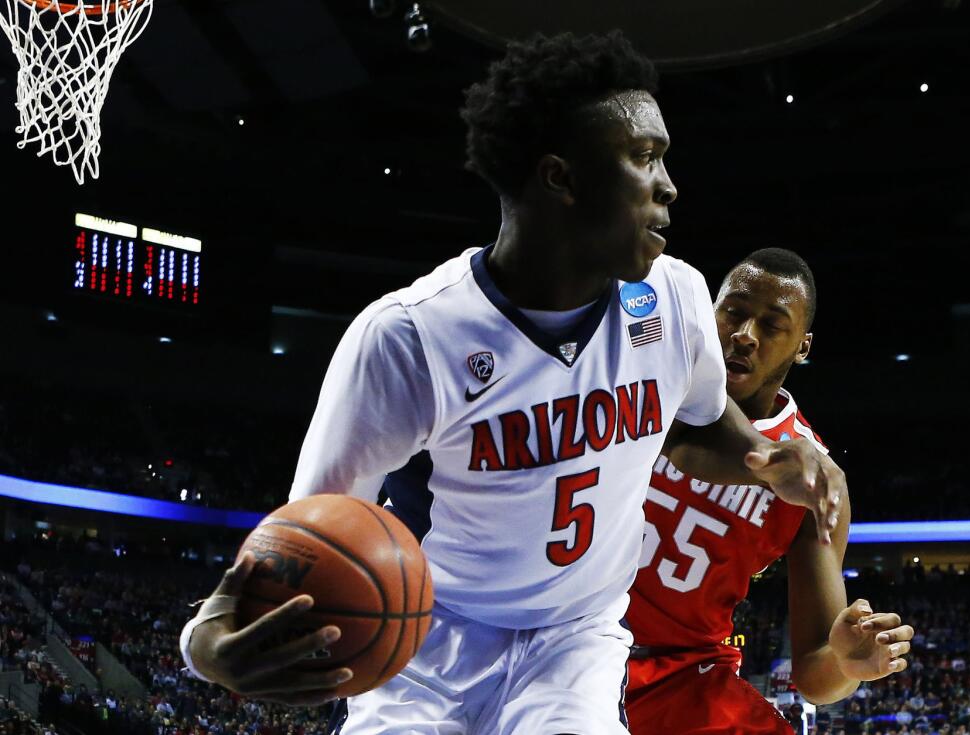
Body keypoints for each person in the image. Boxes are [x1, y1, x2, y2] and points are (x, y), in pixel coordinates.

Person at [177, 32, 846, 735]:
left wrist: (763, 460)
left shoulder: (674, 299)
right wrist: (204, 640)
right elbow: (309, 530)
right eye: (644, 158)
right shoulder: (409, 336)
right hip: (427, 637)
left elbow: (699, 423)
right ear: (561, 177)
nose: (669, 186)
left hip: (575, 640)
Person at [625, 249, 914, 734]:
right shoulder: (643, 376)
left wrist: (847, 664)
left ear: (803, 346)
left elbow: (815, 673)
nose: (745, 335)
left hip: (682, 676)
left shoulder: (817, 481)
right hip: (565, 632)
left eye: (772, 324)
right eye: (733, 312)